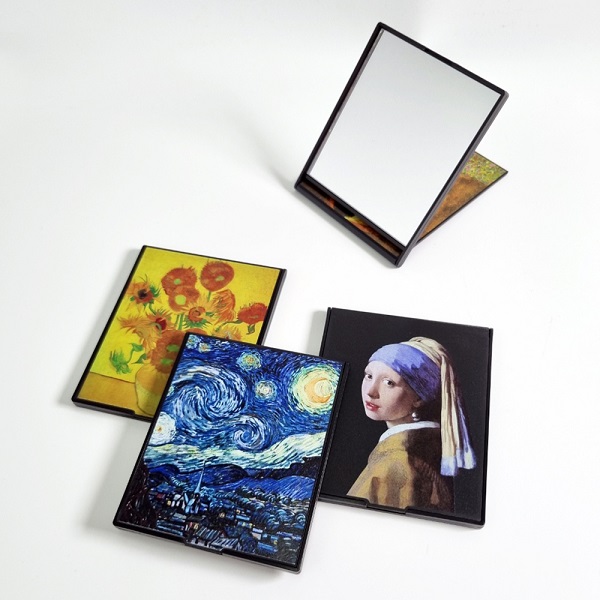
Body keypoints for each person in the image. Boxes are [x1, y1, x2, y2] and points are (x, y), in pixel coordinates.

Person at [347, 337, 475, 512]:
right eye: (369, 376)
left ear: (419, 398)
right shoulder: (426, 447)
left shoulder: (397, 461)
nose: (371, 391)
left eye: (389, 383)